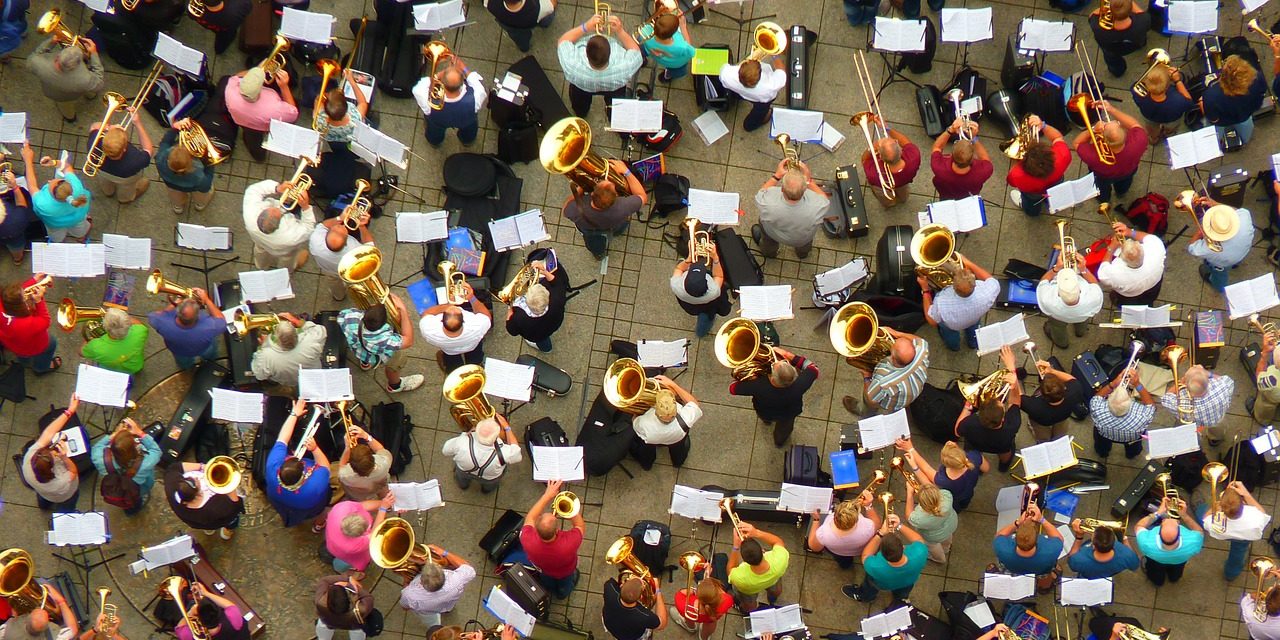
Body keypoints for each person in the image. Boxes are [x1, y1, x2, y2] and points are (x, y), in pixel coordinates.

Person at [728, 347, 819, 447]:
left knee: (765, 417)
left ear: (773, 380)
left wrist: (751, 378)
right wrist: (788, 355)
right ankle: (779, 442)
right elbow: (814, 368)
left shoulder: (757, 385)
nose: (775, 362)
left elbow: (732, 388)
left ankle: (767, 422)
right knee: (784, 429)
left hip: (764, 412)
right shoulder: (800, 384)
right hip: (789, 414)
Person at [556, 14, 643, 117]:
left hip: (581, 88)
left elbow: (563, 41)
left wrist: (586, 26)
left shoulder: (573, 64)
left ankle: (581, 113)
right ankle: (612, 115)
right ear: (610, 53)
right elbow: (637, 53)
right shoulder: (624, 66)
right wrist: (620, 31)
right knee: (615, 105)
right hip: (614, 89)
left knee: (580, 104)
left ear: (586, 53)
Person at [264, 399, 333, 530]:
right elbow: (325, 468)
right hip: (306, 507)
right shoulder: (315, 485)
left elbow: (282, 438)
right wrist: (315, 449)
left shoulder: (272, 466)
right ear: (303, 473)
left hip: (277, 499)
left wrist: (294, 414)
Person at [752, 159, 837, 259]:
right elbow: (825, 199)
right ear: (805, 189)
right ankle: (802, 254)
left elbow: (760, 194)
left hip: (773, 233)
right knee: (804, 245)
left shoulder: (767, 203)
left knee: (765, 231)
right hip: (802, 239)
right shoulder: (818, 205)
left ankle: (769, 253)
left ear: (782, 189)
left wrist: (777, 176)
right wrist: (809, 180)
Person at [956, 346, 1023, 471]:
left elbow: (957, 430)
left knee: (971, 452)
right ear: (1002, 420)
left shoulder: (971, 423)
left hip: (974, 443)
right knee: (1005, 452)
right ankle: (1003, 466)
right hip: (1001, 445)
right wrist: (1012, 372)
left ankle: (977, 467)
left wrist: (967, 407)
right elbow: (1015, 402)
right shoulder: (1011, 425)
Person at [561, 162, 647, 257]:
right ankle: (617, 233)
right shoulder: (623, 206)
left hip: (589, 230)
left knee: (595, 246)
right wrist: (626, 171)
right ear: (616, 196)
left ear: (592, 194)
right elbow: (642, 197)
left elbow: (565, 209)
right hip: (615, 224)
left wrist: (581, 188)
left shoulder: (575, 209)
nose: (606, 179)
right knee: (620, 228)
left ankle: (598, 254)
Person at [339, 299, 425, 393]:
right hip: (379, 356)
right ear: (384, 322)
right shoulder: (385, 339)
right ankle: (395, 386)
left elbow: (341, 317)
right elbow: (408, 341)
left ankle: (365, 364)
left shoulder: (350, 316)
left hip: (359, 350)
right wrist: (403, 311)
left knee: (363, 349)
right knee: (398, 359)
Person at [919, 256, 999, 351]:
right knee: (974, 329)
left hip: (951, 326)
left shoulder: (941, 302)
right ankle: (973, 344)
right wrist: (967, 262)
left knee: (950, 335)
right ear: (975, 283)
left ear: (954, 287)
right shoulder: (988, 291)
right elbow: (991, 279)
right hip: (974, 318)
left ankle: (954, 347)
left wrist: (925, 290)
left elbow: (932, 320)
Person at [521, 479, 585, 598]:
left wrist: (547, 496)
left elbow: (530, 517)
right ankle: (562, 594)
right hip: (565, 572)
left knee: (547, 581)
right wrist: (569, 509)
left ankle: (549, 587)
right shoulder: (569, 543)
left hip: (544, 570)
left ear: (536, 528)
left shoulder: (526, 537)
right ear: (556, 531)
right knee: (565, 586)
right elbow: (579, 526)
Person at [1072, 102, 1148, 202]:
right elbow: (1134, 124)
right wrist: (1112, 109)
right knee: (1125, 182)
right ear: (1125, 133)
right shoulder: (1139, 140)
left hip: (1102, 177)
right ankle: (1121, 192)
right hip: (1128, 171)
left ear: (1102, 137)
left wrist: (1094, 129)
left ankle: (1104, 200)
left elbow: (1076, 143)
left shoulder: (1093, 155)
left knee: (1101, 188)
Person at [843, 327, 928, 416]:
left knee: (870, 405)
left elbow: (871, 400)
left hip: (894, 401)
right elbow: (918, 339)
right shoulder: (921, 350)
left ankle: (862, 411)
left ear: (893, 358)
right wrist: (896, 333)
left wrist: (867, 377)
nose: (893, 342)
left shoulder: (883, 382)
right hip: (915, 389)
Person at [844, 514, 928, 602]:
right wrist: (899, 525)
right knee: (903, 592)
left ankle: (865, 597)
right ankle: (900, 599)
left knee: (869, 586)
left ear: (882, 554)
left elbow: (866, 555)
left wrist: (880, 534)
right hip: (908, 582)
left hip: (882, 584)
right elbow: (919, 539)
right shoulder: (920, 553)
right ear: (903, 547)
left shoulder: (875, 566)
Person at [21, 393, 82, 511]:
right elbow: (73, 472)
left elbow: (48, 433)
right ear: (52, 467)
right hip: (65, 496)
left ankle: (44, 506)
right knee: (67, 506)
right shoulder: (61, 483)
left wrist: (69, 411)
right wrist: (64, 457)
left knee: (44, 498)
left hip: (43, 492)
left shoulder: (29, 458)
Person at [224, 67, 299, 161]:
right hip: (262, 126)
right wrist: (284, 86)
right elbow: (293, 113)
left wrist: (257, 70)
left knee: (253, 142)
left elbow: (237, 75)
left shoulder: (231, 87)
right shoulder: (274, 108)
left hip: (243, 123)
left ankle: (259, 157)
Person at [242, 177, 317, 271]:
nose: (278, 207)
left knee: (260, 250)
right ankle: (285, 271)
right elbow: (309, 228)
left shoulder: (251, 212)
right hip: (283, 251)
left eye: (272, 208)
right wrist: (306, 207)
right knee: (288, 258)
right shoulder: (291, 236)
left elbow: (252, 190)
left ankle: (261, 266)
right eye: (280, 214)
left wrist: (277, 188)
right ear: (278, 226)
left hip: (259, 240)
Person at [90, 417, 162, 515]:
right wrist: (139, 432)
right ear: (134, 446)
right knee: (135, 498)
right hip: (139, 488)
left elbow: (97, 446)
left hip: (116, 487)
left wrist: (116, 434)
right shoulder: (145, 463)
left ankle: (129, 510)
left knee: (127, 501)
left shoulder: (99, 458)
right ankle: (134, 508)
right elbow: (156, 450)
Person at [895, 438, 988, 512]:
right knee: (965, 502)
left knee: (954, 507)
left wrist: (911, 450)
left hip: (953, 501)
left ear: (947, 464)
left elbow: (926, 470)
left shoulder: (944, 480)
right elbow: (986, 468)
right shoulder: (974, 456)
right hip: (968, 493)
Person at [1203, 480, 1271, 581]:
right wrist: (1245, 493)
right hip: (1245, 537)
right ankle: (1230, 575)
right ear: (1243, 503)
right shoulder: (1254, 515)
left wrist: (1215, 507)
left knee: (1200, 509)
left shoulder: (1214, 521)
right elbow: (1263, 513)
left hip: (1224, 534)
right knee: (1238, 553)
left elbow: (1205, 519)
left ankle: (1197, 503)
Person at [630, 375, 700, 469]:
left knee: (646, 452)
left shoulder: (644, 423)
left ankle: (647, 465)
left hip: (652, 440)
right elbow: (694, 404)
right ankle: (677, 463)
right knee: (679, 452)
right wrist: (673, 384)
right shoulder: (686, 418)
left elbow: (634, 420)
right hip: (677, 439)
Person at [26, 36, 104, 122]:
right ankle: (91, 96)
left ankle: (70, 118)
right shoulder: (85, 79)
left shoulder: (37, 63)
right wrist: (94, 54)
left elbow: (35, 55)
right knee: (90, 88)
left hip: (58, 95)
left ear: (57, 57)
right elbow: (98, 82)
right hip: (79, 89)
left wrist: (51, 42)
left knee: (65, 107)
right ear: (76, 64)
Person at [414, 57, 487, 147]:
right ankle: (467, 141)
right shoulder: (475, 97)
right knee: (469, 129)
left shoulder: (429, 101)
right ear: (462, 82)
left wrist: (437, 76)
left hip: (438, 121)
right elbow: (476, 83)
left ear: (442, 83)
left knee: (434, 131)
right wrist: (463, 68)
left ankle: (435, 143)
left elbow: (417, 89)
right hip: (465, 120)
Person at [419, 282, 493, 372]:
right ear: (463, 321)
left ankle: (453, 370)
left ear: (441, 321)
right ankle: (476, 365)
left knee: (452, 364)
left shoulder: (429, 330)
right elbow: (486, 316)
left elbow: (426, 313)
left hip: (448, 351)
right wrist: (471, 298)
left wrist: (447, 306)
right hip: (473, 345)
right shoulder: (476, 326)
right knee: (475, 358)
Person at [1006, 115, 1071, 217]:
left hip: (1033, 192)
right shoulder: (1062, 156)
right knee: (1053, 194)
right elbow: (1057, 137)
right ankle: (1051, 203)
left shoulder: (1017, 175)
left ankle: (1032, 212)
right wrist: (1043, 125)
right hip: (1056, 181)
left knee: (1030, 203)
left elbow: (1011, 181)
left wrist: (1015, 158)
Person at [163, 460, 244, 541]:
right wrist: (229, 484)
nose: (196, 477)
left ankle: (208, 530)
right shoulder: (215, 508)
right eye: (196, 481)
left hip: (197, 522)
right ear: (198, 493)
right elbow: (235, 506)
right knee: (231, 521)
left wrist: (202, 467)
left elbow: (174, 467)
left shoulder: (172, 483)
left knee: (207, 524)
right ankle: (227, 532)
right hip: (220, 519)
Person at [1134, 495, 1204, 586]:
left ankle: (1158, 582)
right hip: (1179, 561)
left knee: (1155, 573)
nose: (1169, 519)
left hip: (1155, 561)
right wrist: (1184, 515)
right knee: (1177, 571)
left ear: (1159, 532)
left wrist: (1158, 512)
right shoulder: (1193, 542)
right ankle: (1174, 578)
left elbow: (1139, 526)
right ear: (1179, 532)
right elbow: (1199, 531)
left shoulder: (1146, 542)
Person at [1186, 198, 1254, 292]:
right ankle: (1236, 264)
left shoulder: (1210, 248)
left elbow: (1191, 248)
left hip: (1223, 264)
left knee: (1219, 276)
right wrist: (1216, 204)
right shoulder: (1244, 216)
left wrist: (1200, 232)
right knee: (1236, 258)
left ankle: (1219, 286)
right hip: (1243, 250)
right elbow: (1236, 211)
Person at [86, 111, 154, 204]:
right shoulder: (136, 159)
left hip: (102, 171)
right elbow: (148, 149)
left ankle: (108, 192)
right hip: (126, 178)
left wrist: (109, 128)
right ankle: (124, 199)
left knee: (104, 181)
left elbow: (94, 126)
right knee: (127, 189)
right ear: (124, 149)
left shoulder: (93, 143)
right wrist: (138, 123)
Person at [148, 288, 226, 370]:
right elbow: (222, 320)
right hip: (204, 348)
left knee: (184, 364)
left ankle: (187, 369)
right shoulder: (209, 327)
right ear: (197, 315)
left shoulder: (162, 322)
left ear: (178, 312)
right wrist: (206, 299)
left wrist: (174, 304)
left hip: (179, 352)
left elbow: (154, 316)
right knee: (210, 355)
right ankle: (210, 364)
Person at [400, 546, 478, 627]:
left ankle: (434, 626)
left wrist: (406, 580)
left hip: (428, 612)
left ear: (421, 582)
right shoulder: (457, 579)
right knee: (448, 606)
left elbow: (405, 607)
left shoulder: (409, 595)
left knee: (432, 622)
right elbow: (469, 569)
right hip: (448, 603)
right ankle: (447, 611)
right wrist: (444, 553)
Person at [440, 416, 522, 492]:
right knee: (490, 485)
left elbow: (445, 451)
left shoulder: (461, 442)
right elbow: (517, 452)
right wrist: (507, 428)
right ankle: (486, 491)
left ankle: (463, 486)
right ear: (497, 436)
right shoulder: (505, 452)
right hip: (490, 478)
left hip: (464, 471)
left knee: (461, 479)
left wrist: (466, 433)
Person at [1037, 255, 1103, 348]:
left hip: (1059, 317)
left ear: (1059, 294)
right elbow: (1094, 284)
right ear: (1079, 290)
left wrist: (1056, 268)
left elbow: (1043, 282)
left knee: (1057, 328)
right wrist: (1083, 269)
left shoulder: (1047, 300)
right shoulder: (1094, 298)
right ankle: (1080, 332)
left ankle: (1062, 343)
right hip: (1082, 316)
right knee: (1082, 321)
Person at [504, 255, 567, 351]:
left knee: (541, 340)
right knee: (544, 337)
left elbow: (512, 330)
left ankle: (546, 348)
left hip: (535, 335)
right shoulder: (556, 299)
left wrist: (509, 310)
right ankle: (547, 349)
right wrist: (545, 272)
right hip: (553, 323)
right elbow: (557, 283)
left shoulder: (519, 317)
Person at [1200, 55, 1267, 146]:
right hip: (1245, 116)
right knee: (1246, 132)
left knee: (1214, 134)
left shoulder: (1211, 95)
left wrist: (1202, 104)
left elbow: (1213, 119)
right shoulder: (1258, 78)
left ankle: (1214, 143)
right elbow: (1261, 97)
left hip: (1222, 122)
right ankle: (1245, 140)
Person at [1090, 367, 1155, 459]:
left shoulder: (1097, 408)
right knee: (1134, 448)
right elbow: (1151, 405)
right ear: (1130, 403)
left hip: (1104, 435)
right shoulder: (1142, 416)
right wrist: (1137, 384)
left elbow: (1097, 397)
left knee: (1101, 444)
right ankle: (1131, 455)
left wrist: (1113, 384)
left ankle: (1102, 452)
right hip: (1131, 439)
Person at [1161, 364, 1234, 446]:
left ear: (1187, 386)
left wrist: (1180, 382)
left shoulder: (1182, 404)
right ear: (1208, 380)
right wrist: (1206, 373)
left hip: (1196, 423)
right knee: (1218, 429)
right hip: (1218, 418)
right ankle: (1215, 439)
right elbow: (1227, 380)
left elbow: (1165, 399)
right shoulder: (1222, 386)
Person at [0, 275, 60, 372]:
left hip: (13, 344)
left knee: (22, 355)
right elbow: (45, 320)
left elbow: (15, 296)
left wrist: (35, 280)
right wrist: (39, 300)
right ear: (21, 306)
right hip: (36, 346)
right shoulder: (27, 323)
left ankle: (24, 362)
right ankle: (41, 368)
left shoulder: (3, 304)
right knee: (52, 343)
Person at [156, 119, 217, 215]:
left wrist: (175, 128)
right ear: (191, 161)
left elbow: (165, 142)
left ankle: (178, 207)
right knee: (202, 194)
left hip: (171, 185)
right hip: (195, 186)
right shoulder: (199, 177)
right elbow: (206, 186)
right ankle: (200, 205)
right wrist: (210, 161)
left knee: (175, 195)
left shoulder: (161, 158)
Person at [249, 313, 326, 389]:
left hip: (287, 384)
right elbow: (320, 329)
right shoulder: (311, 341)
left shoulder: (266, 355)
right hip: (313, 377)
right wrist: (296, 321)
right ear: (296, 332)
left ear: (277, 338)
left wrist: (262, 346)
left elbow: (259, 375)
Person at [671, 238, 729, 338]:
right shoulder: (713, 291)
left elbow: (679, 268)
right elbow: (718, 276)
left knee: (704, 319)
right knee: (706, 319)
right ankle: (701, 333)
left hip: (689, 307)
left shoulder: (676, 285)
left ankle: (700, 333)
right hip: (708, 307)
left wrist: (689, 258)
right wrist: (715, 258)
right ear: (706, 286)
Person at [1097, 222, 1165, 306]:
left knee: (1126, 304)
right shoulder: (1156, 248)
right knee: (1150, 299)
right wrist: (1129, 232)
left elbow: (1102, 271)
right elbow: (1147, 237)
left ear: (1123, 259)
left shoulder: (1115, 273)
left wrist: (1111, 248)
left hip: (1129, 296)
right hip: (1154, 285)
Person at [310, 208, 371, 302]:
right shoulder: (353, 248)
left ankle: (338, 297)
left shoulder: (315, 239)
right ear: (347, 241)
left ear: (325, 236)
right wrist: (362, 226)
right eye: (343, 232)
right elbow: (370, 246)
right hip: (351, 272)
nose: (341, 226)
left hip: (329, 270)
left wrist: (340, 218)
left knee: (334, 283)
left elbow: (324, 225)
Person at [726, 521, 788, 613]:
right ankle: (772, 599)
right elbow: (778, 542)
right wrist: (756, 532)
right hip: (774, 579)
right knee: (776, 590)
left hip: (749, 591)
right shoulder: (780, 560)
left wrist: (736, 547)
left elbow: (730, 571)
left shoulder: (740, 578)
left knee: (749, 605)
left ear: (745, 561)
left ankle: (748, 611)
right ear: (762, 551)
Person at [806, 493, 880, 569]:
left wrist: (816, 520)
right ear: (855, 519)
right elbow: (877, 525)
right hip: (859, 549)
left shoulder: (823, 533)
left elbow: (814, 547)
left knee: (843, 561)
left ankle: (845, 566)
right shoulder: (868, 527)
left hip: (838, 552)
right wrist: (868, 506)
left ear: (835, 517)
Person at [860, 115, 922, 207]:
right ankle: (902, 198)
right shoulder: (914, 156)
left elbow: (864, 159)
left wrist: (872, 148)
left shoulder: (873, 173)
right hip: (904, 182)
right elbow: (904, 141)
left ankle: (889, 203)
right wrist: (886, 128)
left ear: (880, 156)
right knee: (903, 192)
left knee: (883, 196)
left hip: (882, 186)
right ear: (900, 150)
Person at [30, 153, 91, 243]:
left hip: (55, 225)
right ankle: (81, 237)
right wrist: (54, 162)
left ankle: (59, 242)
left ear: (52, 195)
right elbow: (66, 166)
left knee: (56, 236)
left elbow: (32, 185)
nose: (50, 181)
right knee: (80, 230)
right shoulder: (77, 187)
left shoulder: (42, 204)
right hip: (77, 218)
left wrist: (28, 160)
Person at [993, 504, 1065, 579]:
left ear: (1015, 538)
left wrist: (1017, 522)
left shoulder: (1002, 548)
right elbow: (1059, 538)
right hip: (1040, 572)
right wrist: (1041, 519)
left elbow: (999, 535)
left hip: (1012, 570)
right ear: (1037, 539)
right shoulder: (1051, 551)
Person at [325, 495, 394, 572]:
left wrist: (386, 503)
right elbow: (374, 534)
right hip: (348, 555)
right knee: (345, 563)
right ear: (361, 534)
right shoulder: (355, 545)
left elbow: (362, 505)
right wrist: (383, 509)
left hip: (332, 544)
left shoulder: (341, 508)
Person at [930, 118, 992, 200]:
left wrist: (950, 130)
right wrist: (973, 138)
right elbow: (985, 158)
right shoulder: (984, 170)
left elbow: (937, 147)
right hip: (970, 196)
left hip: (945, 194)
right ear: (972, 158)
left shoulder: (938, 166)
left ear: (952, 154)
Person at [1022, 360, 1084, 442]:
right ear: (1064, 387)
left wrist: (1012, 370)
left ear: (1043, 395)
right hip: (1063, 416)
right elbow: (1071, 379)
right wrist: (1051, 371)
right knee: (1060, 431)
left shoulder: (1034, 407)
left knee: (1042, 436)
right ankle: (1058, 439)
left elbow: (1018, 398)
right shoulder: (1075, 391)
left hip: (1042, 422)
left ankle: (1044, 441)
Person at [718, 57, 785, 132]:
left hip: (740, 92)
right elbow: (781, 72)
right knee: (758, 115)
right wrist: (775, 56)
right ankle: (751, 126)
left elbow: (722, 70)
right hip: (762, 101)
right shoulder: (770, 85)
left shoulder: (727, 74)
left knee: (735, 94)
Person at [1130, 64, 1193, 143]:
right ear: (1167, 86)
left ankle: (1153, 139)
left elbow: (1135, 85)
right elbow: (1189, 102)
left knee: (1152, 130)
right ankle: (1168, 134)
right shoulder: (1178, 100)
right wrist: (1178, 81)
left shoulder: (1138, 93)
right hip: (1172, 119)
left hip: (1149, 118)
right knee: (1171, 129)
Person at [1088, 0, 1149, 77]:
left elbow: (1092, 15)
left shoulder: (1097, 26)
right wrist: (1128, 3)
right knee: (1141, 38)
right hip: (1134, 43)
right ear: (1131, 9)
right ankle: (1142, 45)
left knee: (1112, 60)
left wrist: (1107, 6)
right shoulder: (1143, 21)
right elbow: (1141, 13)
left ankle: (1118, 72)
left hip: (1111, 49)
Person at [81, 308, 148, 376]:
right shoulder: (140, 331)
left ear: (105, 327)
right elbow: (137, 322)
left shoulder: (94, 347)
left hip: (109, 370)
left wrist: (91, 337)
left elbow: (81, 352)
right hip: (135, 367)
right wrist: (120, 317)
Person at [1066, 519, 1139, 578]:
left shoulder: (1079, 559)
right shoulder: (1127, 555)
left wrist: (1079, 537)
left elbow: (1072, 562)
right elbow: (1134, 565)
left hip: (1087, 576)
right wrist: (1125, 539)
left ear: (1093, 545)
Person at [602, 575, 668, 640]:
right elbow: (662, 623)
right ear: (640, 597)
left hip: (609, 624)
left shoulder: (609, 587)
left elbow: (615, 582)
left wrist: (631, 581)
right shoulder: (645, 616)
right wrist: (657, 590)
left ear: (622, 585)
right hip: (630, 637)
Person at [337, 425, 393, 501]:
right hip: (380, 484)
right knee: (384, 492)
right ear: (372, 458)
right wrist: (366, 436)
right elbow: (380, 449)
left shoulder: (346, 475)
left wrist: (347, 448)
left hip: (359, 495)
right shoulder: (383, 463)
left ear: (351, 465)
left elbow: (341, 466)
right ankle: (386, 502)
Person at [904, 483, 957, 563]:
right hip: (950, 525)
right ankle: (946, 548)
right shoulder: (947, 496)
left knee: (932, 547)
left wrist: (909, 494)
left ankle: (939, 559)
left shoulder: (920, 519)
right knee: (947, 537)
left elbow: (909, 516)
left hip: (933, 537)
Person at [314, 570, 374, 640]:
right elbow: (368, 597)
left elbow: (324, 580)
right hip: (353, 624)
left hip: (329, 621)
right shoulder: (362, 609)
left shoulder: (320, 602)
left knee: (322, 626)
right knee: (358, 631)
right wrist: (349, 584)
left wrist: (345, 579)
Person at [0, 147, 36, 261]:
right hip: (12, 235)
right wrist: (15, 187)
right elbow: (22, 205)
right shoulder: (16, 219)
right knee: (16, 247)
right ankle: (17, 259)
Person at [175, 583, 248, 640]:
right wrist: (205, 593)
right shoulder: (233, 621)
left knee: (190, 603)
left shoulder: (189, 636)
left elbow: (179, 628)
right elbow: (230, 605)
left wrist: (190, 613)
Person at [0, 589, 78, 640]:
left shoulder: (6, 629)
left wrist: (15, 613)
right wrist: (61, 602)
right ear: (48, 625)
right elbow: (73, 629)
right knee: (41, 582)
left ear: (26, 620)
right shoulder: (55, 638)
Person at [317, 73, 370, 145]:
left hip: (333, 140)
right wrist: (351, 81)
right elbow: (363, 103)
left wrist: (319, 100)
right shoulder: (355, 118)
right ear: (346, 105)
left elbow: (316, 106)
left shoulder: (320, 120)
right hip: (348, 137)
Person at [642, 13, 695, 82]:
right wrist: (683, 27)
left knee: (640, 49)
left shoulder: (645, 30)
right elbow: (691, 52)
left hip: (650, 51)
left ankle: (641, 60)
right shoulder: (681, 46)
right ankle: (667, 76)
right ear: (674, 32)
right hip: (674, 63)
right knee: (678, 72)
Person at [486, 0, 556, 52]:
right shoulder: (538, 7)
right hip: (532, 20)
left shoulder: (489, 2)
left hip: (508, 25)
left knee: (520, 39)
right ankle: (545, 25)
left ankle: (524, 48)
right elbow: (552, 4)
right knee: (546, 18)